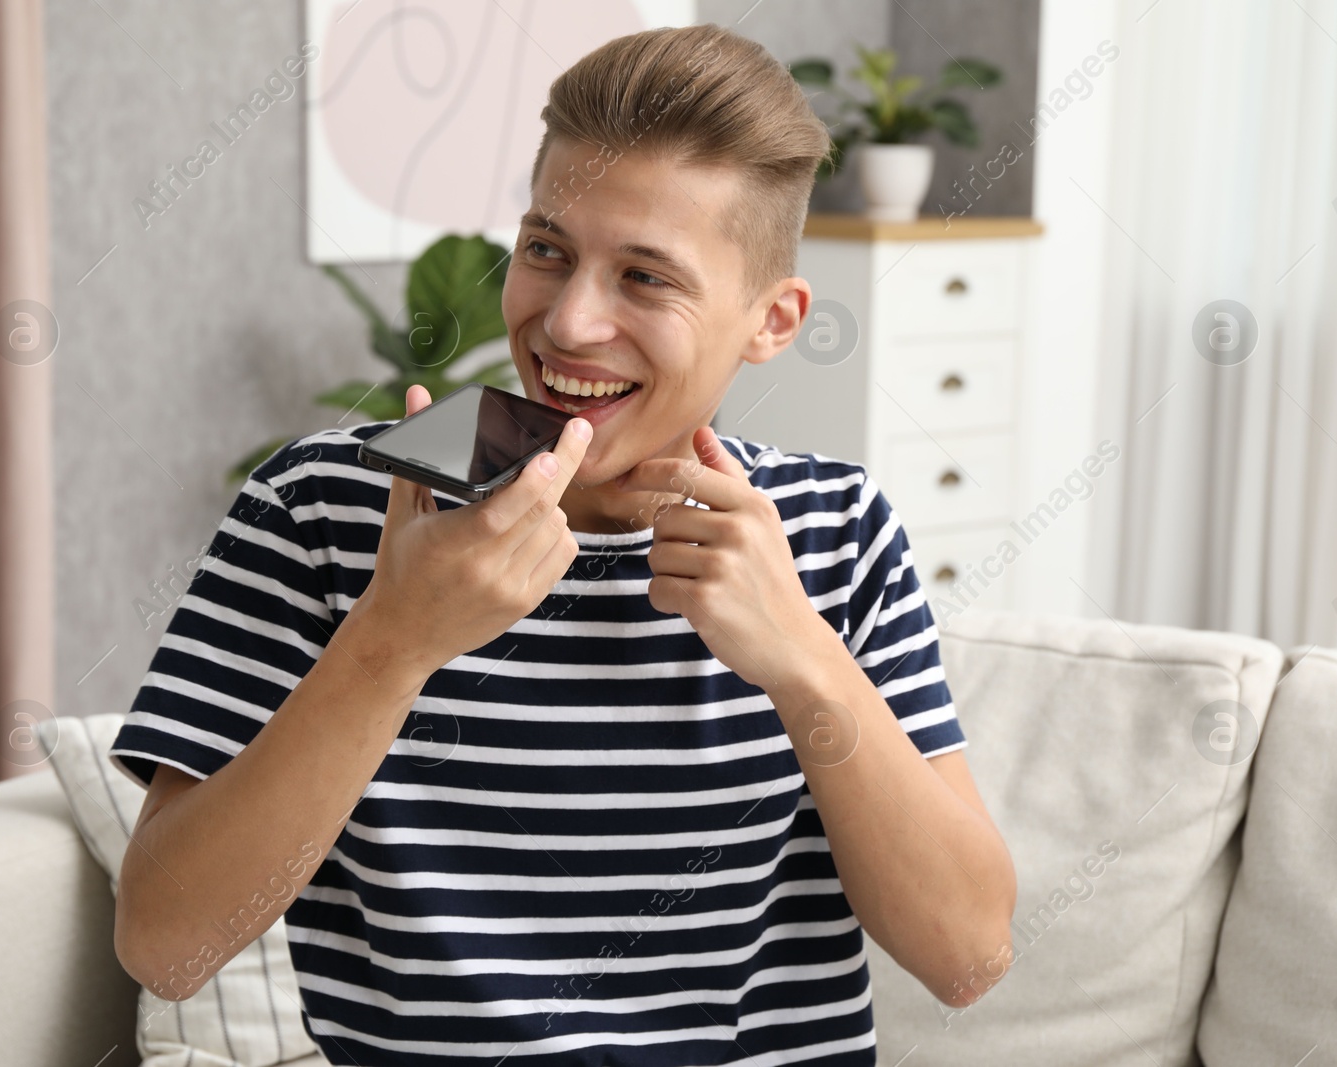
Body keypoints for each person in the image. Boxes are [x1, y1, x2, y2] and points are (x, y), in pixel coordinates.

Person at [109, 22, 1016, 1065]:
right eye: (547, 250)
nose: (568, 323)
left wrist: (803, 659)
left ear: (772, 320)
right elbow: (167, 946)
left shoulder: (836, 532)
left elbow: (966, 957)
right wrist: (393, 640)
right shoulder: (323, 506)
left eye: (645, 278)